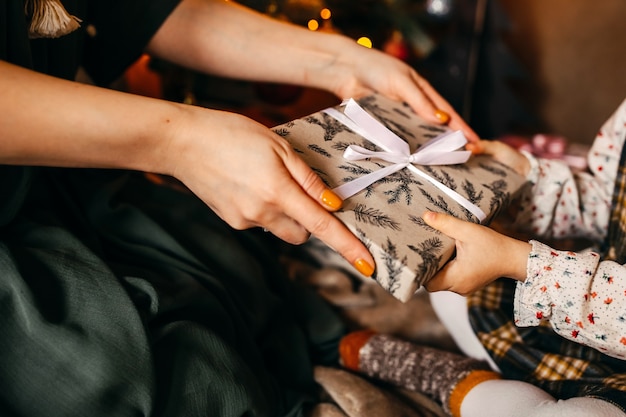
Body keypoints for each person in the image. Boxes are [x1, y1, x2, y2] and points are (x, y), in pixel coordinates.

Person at [0, 0, 481, 416]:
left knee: (239, 277)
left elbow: (143, 11)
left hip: (59, 181)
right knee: (139, 375)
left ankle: (355, 351)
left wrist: (339, 60)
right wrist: (177, 140)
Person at [338, 98, 626, 416]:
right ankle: (493, 382)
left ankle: (450, 379)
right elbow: (604, 199)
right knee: (454, 295)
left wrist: (518, 262)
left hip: (603, 317)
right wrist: (527, 177)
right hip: (583, 305)